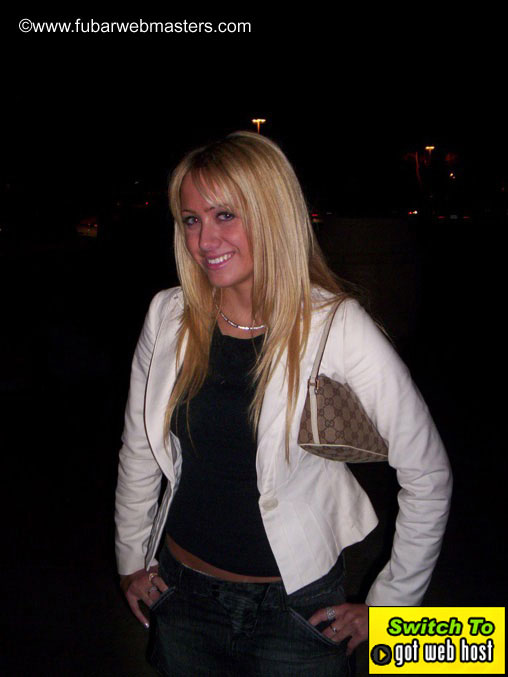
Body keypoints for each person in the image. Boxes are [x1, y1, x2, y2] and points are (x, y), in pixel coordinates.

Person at [115, 131, 452, 675]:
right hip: (180, 594)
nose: (204, 240)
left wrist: (390, 607)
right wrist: (131, 559)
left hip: (296, 609)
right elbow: (139, 451)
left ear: (272, 214)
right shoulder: (168, 316)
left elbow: (428, 474)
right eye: (191, 219)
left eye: (225, 215)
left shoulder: (334, 325)